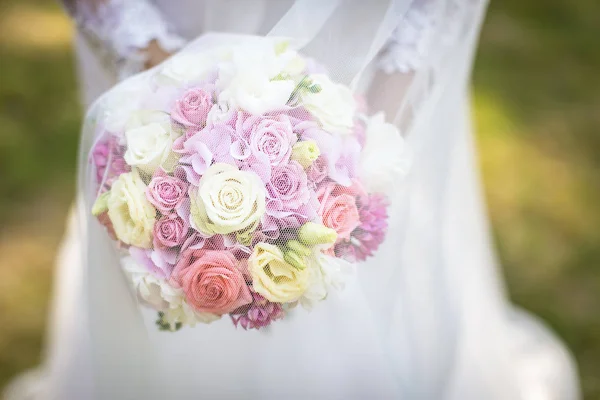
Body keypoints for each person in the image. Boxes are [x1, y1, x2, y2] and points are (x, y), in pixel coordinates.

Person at [4, 1, 580, 399]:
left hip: (365, 86)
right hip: (159, 64)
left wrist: (366, 135)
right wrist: (166, 78)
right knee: (142, 248)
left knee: (363, 258)